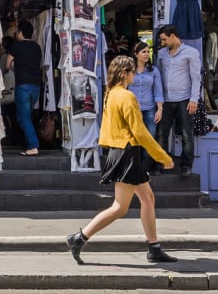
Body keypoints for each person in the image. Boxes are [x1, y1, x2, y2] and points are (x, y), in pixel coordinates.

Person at [66, 56, 177, 265]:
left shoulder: (111, 94)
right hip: (126, 153)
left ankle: (154, 248)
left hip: (120, 151)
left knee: (148, 198)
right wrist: (161, 156)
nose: (135, 74)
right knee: (120, 207)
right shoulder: (126, 96)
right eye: (132, 71)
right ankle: (79, 238)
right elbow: (139, 131)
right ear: (124, 73)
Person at [154, 25, 201, 175]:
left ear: (173, 36)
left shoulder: (191, 52)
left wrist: (194, 100)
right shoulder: (162, 53)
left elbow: (196, 78)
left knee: (187, 134)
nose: (162, 42)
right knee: (162, 134)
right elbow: (158, 76)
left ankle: (186, 166)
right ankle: (162, 163)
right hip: (165, 100)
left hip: (184, 99)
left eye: (164, 39)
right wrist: (158, 100)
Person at [7, 20, 42, 156]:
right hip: (36, 86)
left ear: (20, 32)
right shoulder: (37, 47)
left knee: (24, 118)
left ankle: (33, 146)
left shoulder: (16, 46)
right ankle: (28, 143)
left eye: (17, 31)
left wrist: (15, 67)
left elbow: (8, 64)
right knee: (25, 117)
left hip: (23, 86)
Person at [129, 40, 165, 138]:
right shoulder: (129, 71)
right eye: (143, 52)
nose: (147, 54)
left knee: (150, 138)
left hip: (150, 109)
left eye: (148, 52)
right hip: (133, 109)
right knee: (134, 139)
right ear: (136, 54)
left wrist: (160, 109)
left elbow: (158, 91)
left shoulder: (154, 71)